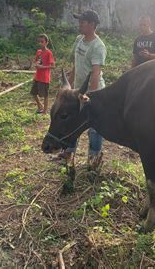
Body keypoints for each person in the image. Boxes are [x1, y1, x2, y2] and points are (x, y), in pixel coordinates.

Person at [57, 10, 107, 171]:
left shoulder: (98, 46)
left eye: (83, 22)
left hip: (94, 93)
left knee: (94, 128)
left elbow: (95, 73)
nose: (80, 24)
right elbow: (76, 65)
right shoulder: (80, 40)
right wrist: (68, 86)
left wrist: (88, 96)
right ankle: (68, 154)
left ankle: (93, 160)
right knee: (72, 123)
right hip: (77, 91)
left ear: (92, 25)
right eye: (80, 21)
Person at [30, 33, 55, 114]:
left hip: (44, 77)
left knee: (45, 95)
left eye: (42, 41)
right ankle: (40, 106)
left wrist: (42, 67)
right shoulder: (39, 52)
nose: (40, 43)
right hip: (37, 76)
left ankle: (45, 111)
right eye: (39, 41)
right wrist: (36, 65)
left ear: (46, 42)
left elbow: (53, 66)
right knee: (33, 93)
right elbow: (37, 61)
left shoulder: (49, 53)